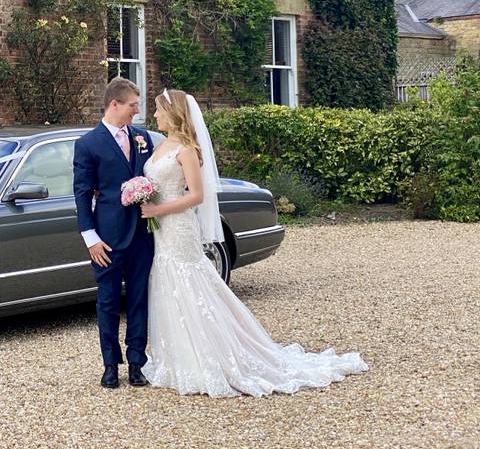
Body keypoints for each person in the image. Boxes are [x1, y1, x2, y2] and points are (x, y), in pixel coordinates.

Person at [139, 88, 368, 397]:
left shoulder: (187, 149)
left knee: (190, 283)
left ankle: (213, 358)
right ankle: (178, 358)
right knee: (168, 282)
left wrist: (157, 209)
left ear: (174, 113)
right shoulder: (161, 144)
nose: (154, 115)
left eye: (158, 110)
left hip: (178, 227)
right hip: (161, 229)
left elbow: (196, 195)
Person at [73, 77, 156, 388]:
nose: (137, 111)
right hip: (106, 238)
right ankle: (110, 365)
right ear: (114, 105)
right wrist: (90, 238)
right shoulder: (88, 144)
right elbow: (82, 194)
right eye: (133, 105)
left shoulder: (142, 137)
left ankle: (137, 363)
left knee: (138, 299)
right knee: (107, 302)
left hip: (142, 235)